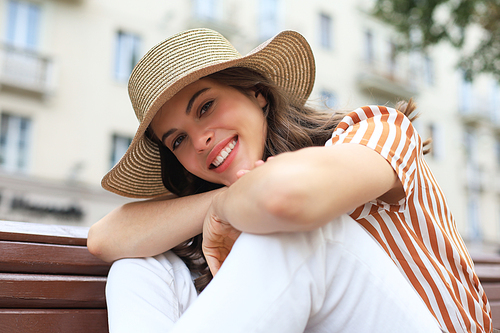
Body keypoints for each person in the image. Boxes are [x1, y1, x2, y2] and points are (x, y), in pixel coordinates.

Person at [87, 28, 491, 333]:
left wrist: (231, 204)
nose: (200, 140)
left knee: (299, 231)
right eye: (178, 140)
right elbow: (105, 239)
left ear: (257, 93)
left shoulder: (377, 130)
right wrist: (220, 202)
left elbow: (289, 198)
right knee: (144, 266)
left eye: (206, 106)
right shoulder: (225, 214)